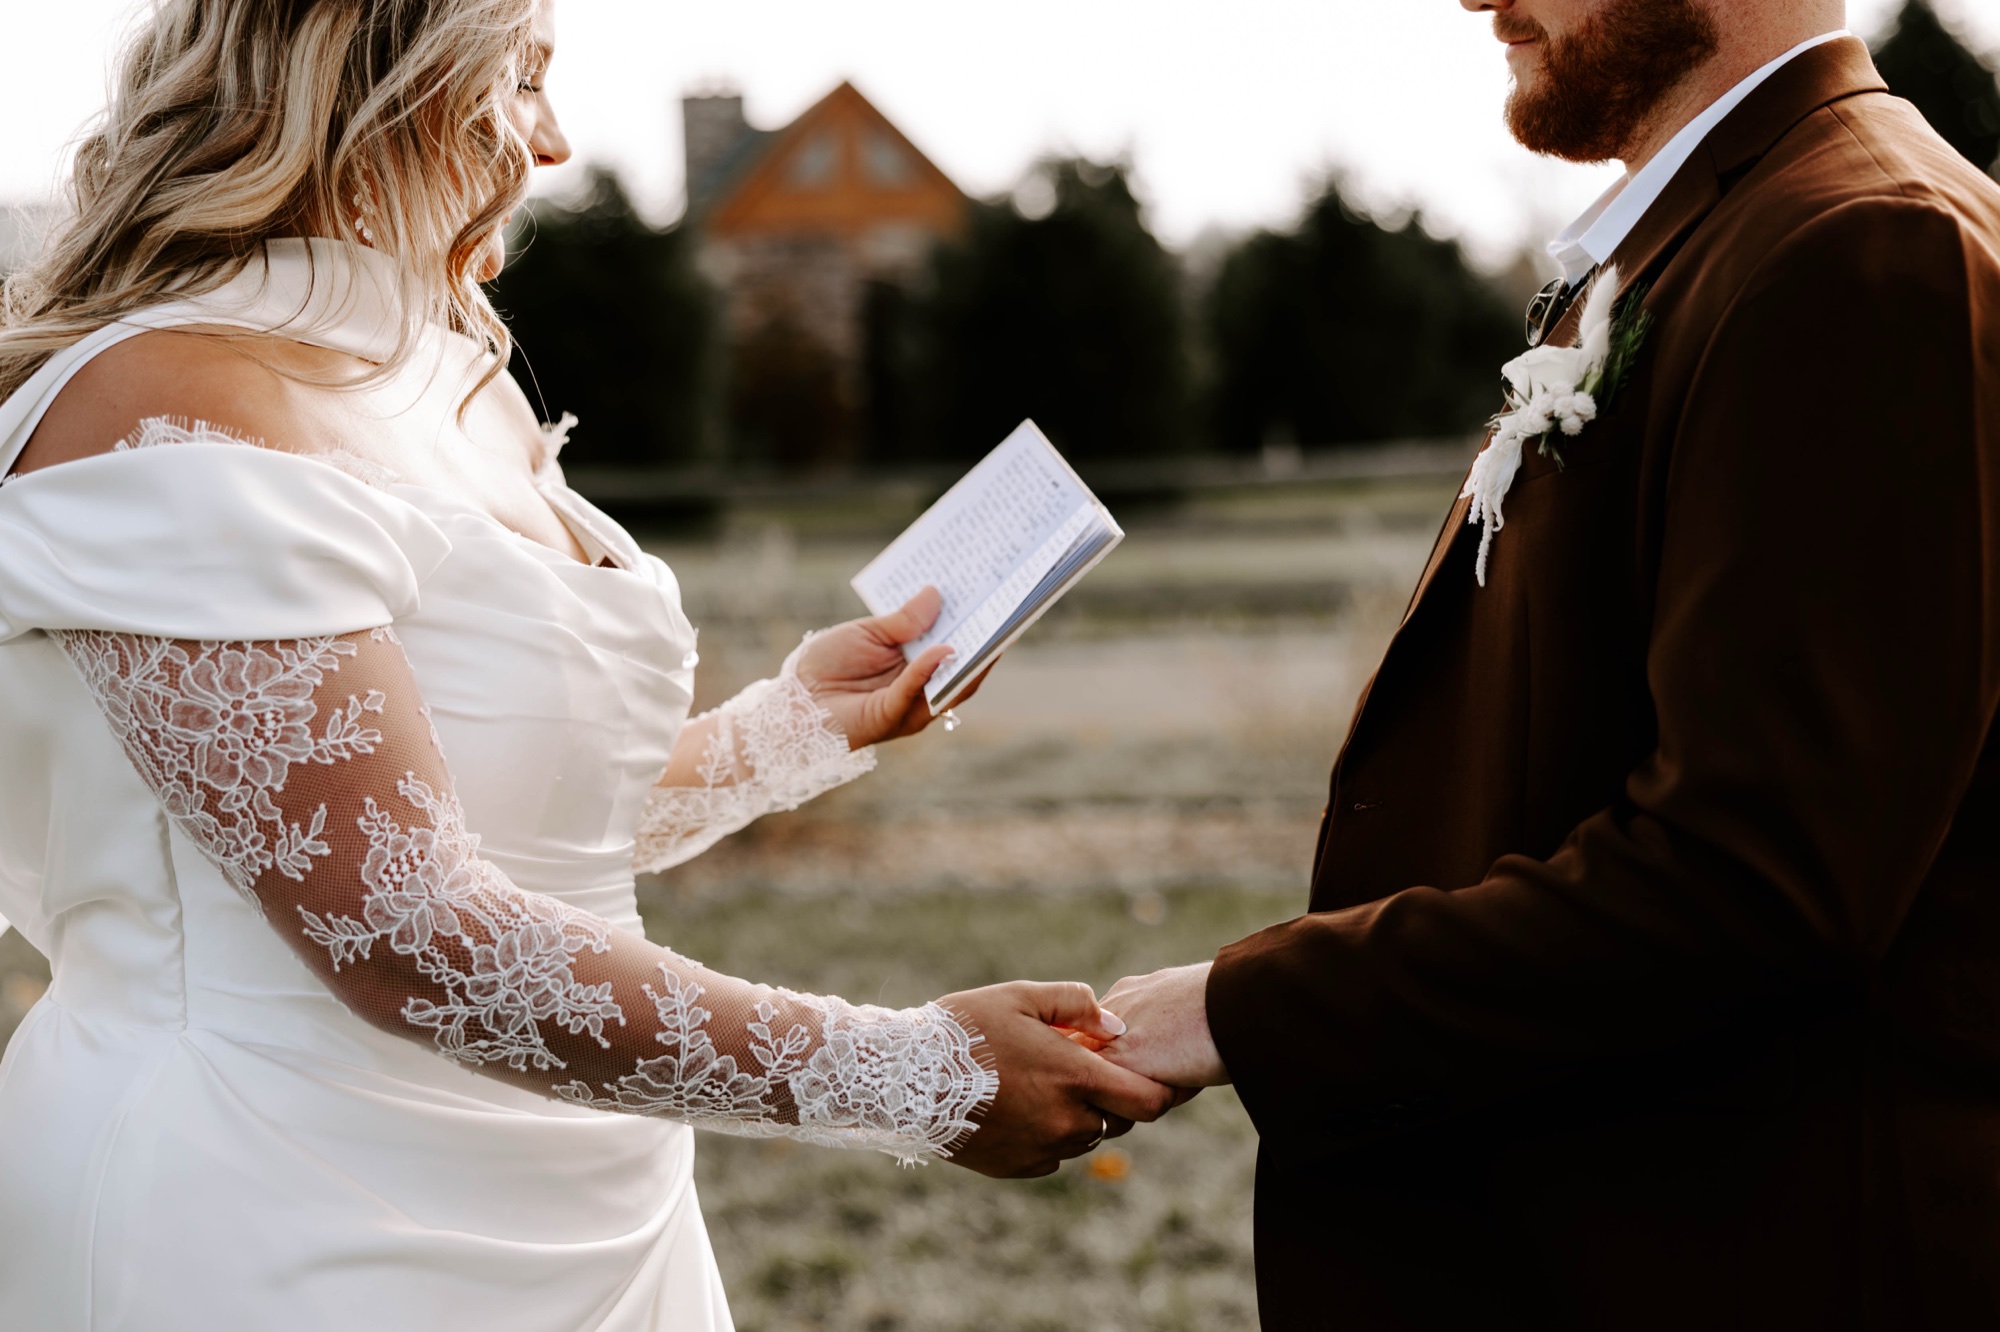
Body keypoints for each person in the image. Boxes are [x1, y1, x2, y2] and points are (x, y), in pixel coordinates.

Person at [0, 1, 1173, 1327]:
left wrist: (793, 729)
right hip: (281, 1211)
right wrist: (916, 1077)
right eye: (524, 81)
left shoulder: (453, 384)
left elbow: (507, 824)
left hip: (596, 1201)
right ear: (369, 78)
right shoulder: (167, 405)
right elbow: (404, 928)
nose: (554, 143)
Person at [1101, 1, 2000, 1327]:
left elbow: (1750, 882)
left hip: (1767, 1252)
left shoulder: (1864, 248)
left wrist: (1236, 1011)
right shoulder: (1713, 225)